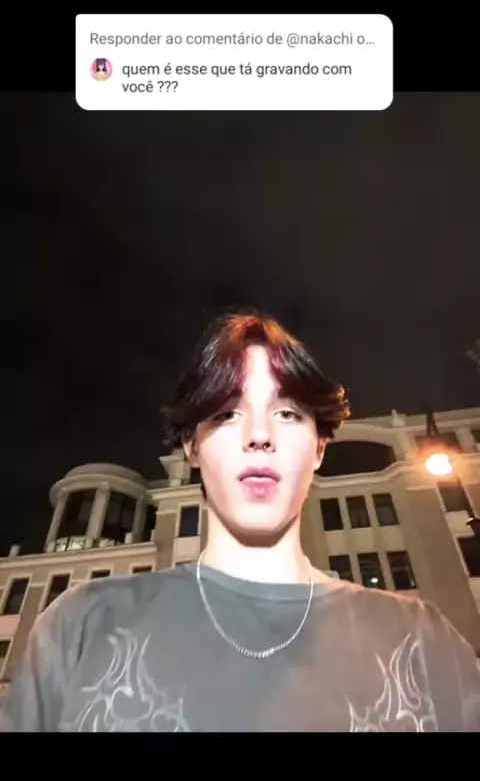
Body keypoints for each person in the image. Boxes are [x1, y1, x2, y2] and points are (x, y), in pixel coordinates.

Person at [1, 309, 480, 732]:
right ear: (191, 447)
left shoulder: (424, 642)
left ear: (319, 448)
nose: (259, 435)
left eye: (287, 413)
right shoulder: (85, 625)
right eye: (227, 414)